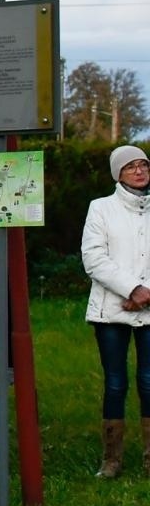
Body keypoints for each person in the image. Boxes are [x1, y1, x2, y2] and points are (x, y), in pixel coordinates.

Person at [80, 145, 150, 479]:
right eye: (131, 167)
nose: (139, 171)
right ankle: (112, 459)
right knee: (116, 383)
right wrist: (131, 289)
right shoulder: (101, 209)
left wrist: (145, 294)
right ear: (117, 173)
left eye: (143, 165)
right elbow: (94, 258)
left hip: (149, 308)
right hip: (111, 310)